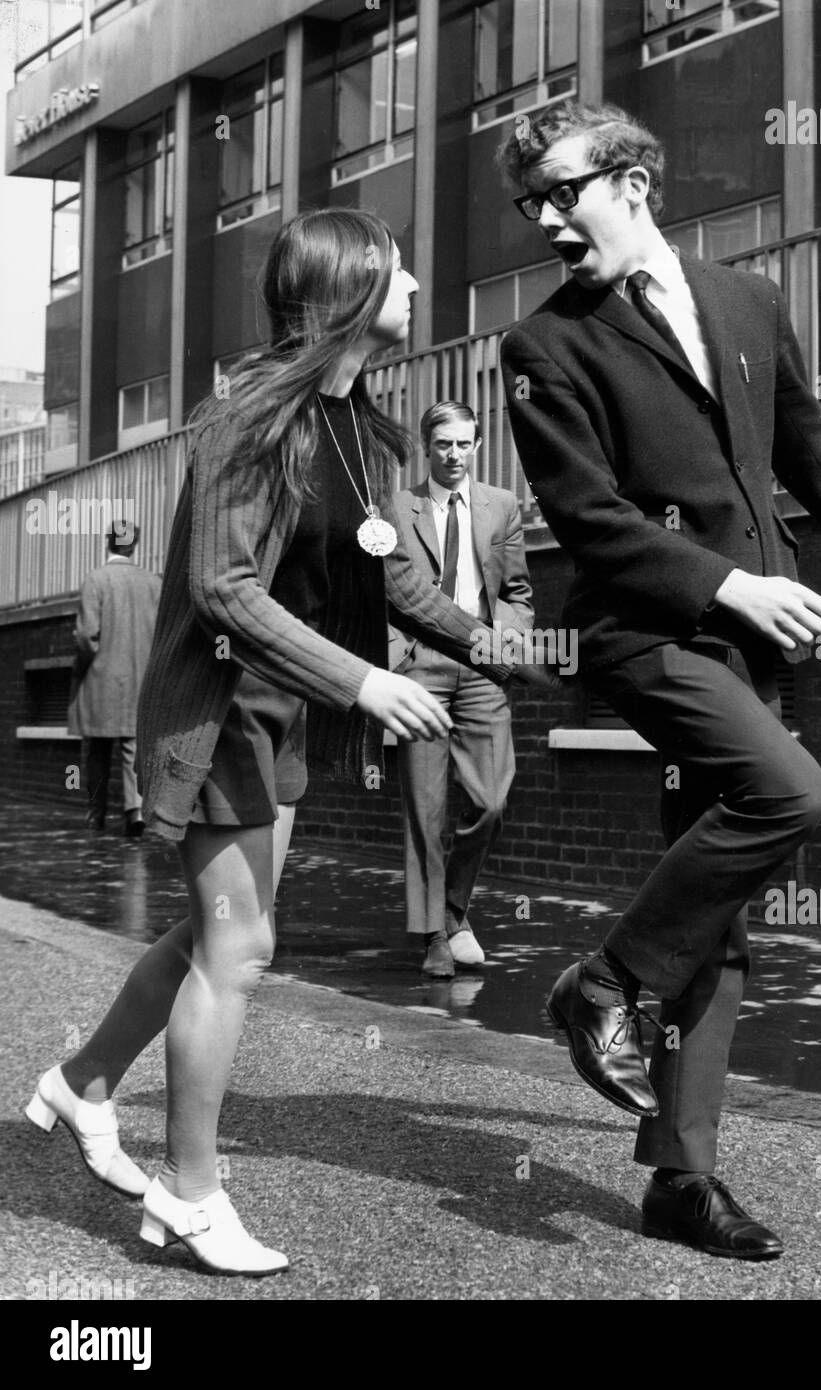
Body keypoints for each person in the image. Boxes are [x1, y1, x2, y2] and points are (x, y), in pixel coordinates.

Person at [497, 101, 821, 1260]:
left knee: (717, 914)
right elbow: (591, 521)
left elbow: (819, 463)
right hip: (651, 633)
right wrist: (733, 588)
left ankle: (681, 1176)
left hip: (754, 637)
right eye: (529, 205)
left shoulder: (747, 300)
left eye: (563, 192)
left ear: (632, 181)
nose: (547, 222)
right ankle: (602, 982)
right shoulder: (542, 347)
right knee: (787, 790)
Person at [25, 208, 525, 1277]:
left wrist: (508, 647)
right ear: (348, 290)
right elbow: (221, 585)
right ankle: (189, 1197)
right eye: (397, 270)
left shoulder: (362, 425)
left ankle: (81, 1082)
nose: (415, 285)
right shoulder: (250, 414)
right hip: (222, 714)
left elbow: (389, 573)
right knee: (237, 949)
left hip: (283, 715)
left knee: (214, 936)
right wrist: (364, 677)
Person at [389, 401, 534, 977]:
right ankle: (433, 937)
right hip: (420, 666)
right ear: (427, 446)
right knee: (424, 807)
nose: (454, 455)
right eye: (444, 444)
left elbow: (518, 591)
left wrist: (510, 643)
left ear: (477, 445)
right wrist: (395, 658)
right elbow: (379, 588)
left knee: (491, 800)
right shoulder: (397, 507)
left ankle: (452, 908)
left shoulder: (502, 506)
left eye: (464, 444)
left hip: (481, 665)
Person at [68, 523, 161, 836]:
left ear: (108, 543)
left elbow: (86, 636)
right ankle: (134, 811)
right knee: (133, 746)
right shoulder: (153, 583)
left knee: (96, 749)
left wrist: (82, 667)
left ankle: (96, 814)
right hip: (140, 678)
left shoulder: (96, 579)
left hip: (100, 678)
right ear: (134, 546)